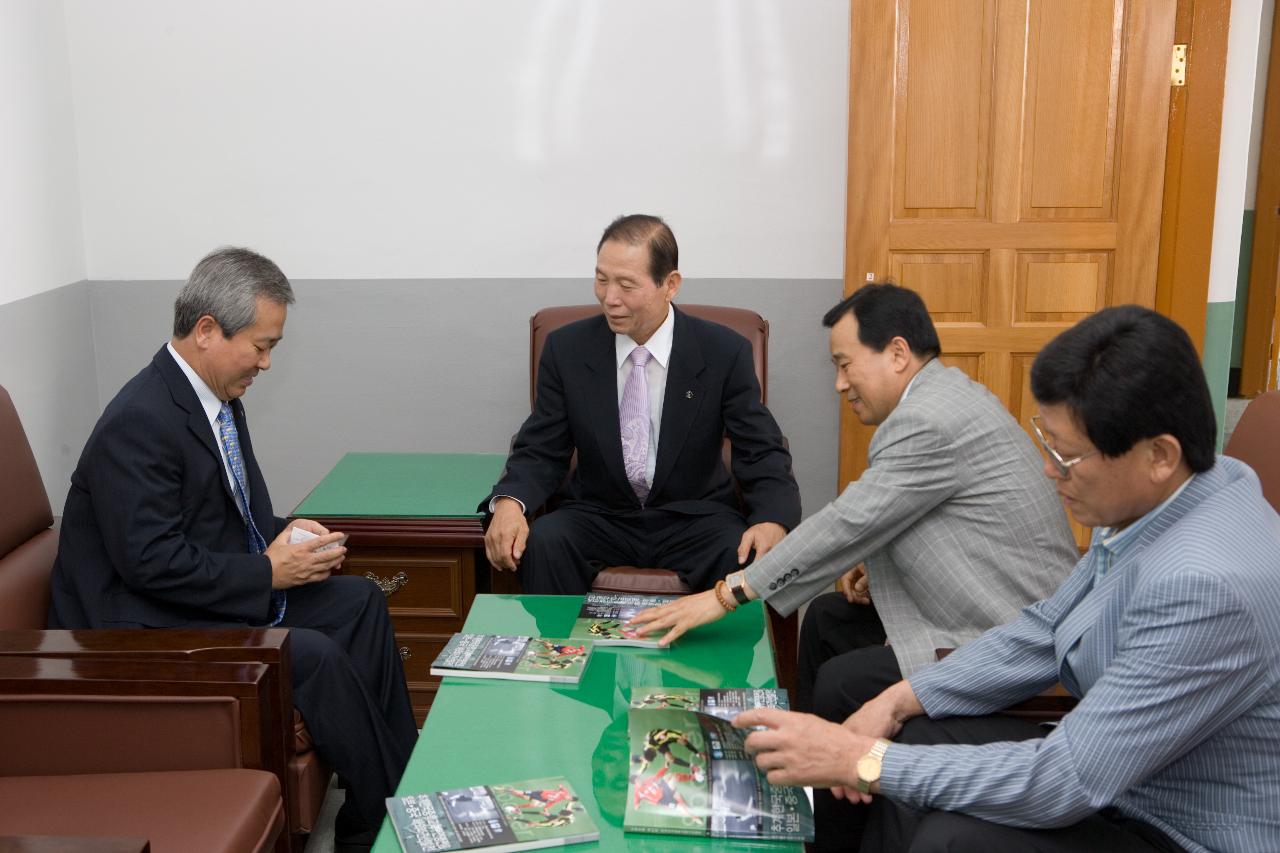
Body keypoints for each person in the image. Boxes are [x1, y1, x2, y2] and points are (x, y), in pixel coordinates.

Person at [733, 305, 1280, 853]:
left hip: (1174, 824)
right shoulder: (1183, 490)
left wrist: (859, 760)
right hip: (1121, 773)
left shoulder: (1208, 586)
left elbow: (1064, 780)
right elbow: (1046, 628)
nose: (1049, 471)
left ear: (1159, 454)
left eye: (1067, 456)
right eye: (1050, 444)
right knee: (908, 731)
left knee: (950, 836)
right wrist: (899, 699)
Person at [47, 247, 417, 853]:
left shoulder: (216, 396)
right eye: (261, 345)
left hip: (191, 590)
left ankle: (392, 796)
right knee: (314, 655)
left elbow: (231, 513)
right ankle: (379, 820)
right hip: (130, 625)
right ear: (207, 331)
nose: (267, 363)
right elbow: (150, 562)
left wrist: (290, 534)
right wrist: (269, 572)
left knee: (357, 602)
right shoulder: (139, 420)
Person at [631, 284, 1077, 715]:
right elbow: (912, 511)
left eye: (845, 365)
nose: (840, 384)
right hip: (985, 600)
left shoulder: (927, 419)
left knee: (842, 681)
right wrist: (878, 565)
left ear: (898, 354)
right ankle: (806, 763)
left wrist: (727, 594)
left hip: (1008, 634)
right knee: (827, 619)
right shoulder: (942, 396)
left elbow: (849, 522)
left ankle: (831, 771)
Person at [480, 214, 801, 594]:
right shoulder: (567, 349)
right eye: (601, 280)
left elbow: (760, 447)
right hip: (600, 514)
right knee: (547, 541)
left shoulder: (723, 351)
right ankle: (560, 654)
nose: (609, 298)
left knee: (741, 553)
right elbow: (541, 446)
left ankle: (708, 657)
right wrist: (509, 502)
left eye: (626, 285)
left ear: (670, 284)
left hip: (694, 516)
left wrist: (772, 520)